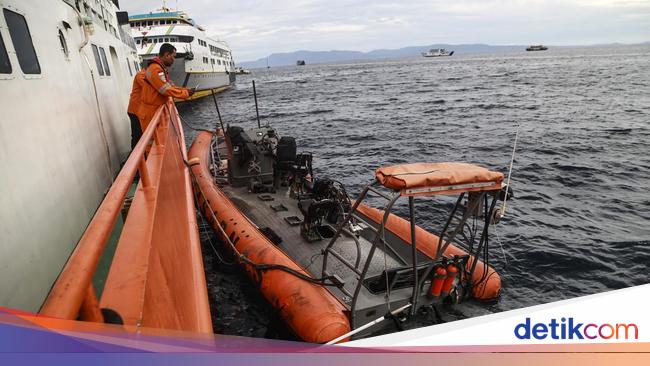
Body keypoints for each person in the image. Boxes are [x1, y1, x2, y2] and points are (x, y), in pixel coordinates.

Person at [137, 43, 194, 130]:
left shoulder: (158, 68)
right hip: (150, 114)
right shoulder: (156, 69)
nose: (174, 60)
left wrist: (185, 90)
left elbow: (169, 85)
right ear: (167, 55)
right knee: (152, 141)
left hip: (153, 111)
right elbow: (165, 89)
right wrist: (185, 93)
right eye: (173, 56)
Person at [126, 69, 145, 149]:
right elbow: (149, 88)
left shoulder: (145, 75)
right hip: (135, 111)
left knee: (139, 134)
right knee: (137, 135)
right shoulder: (141, 75)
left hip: (139, 110)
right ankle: (135, 156)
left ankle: (138, 155)